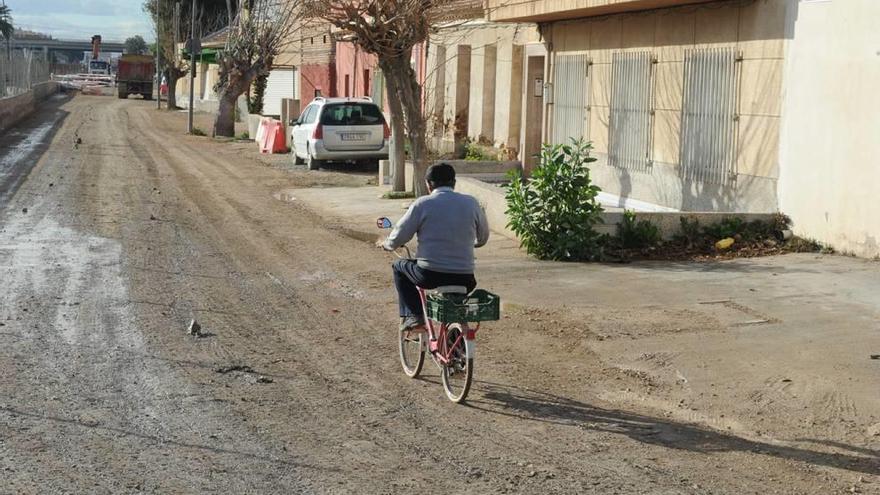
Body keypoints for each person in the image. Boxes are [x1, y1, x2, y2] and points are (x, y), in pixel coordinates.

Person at [379, 163, 490, 331]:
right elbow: (483, 237)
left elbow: (400, 234)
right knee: (455, 308)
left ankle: (414, 316)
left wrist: (387, 244)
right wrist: (471, 243)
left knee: (399, 267)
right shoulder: (471, 203)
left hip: (430, 275)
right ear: (454, 182)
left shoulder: (422, 204)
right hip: (465, 278)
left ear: (428, 184)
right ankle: (457, 346)